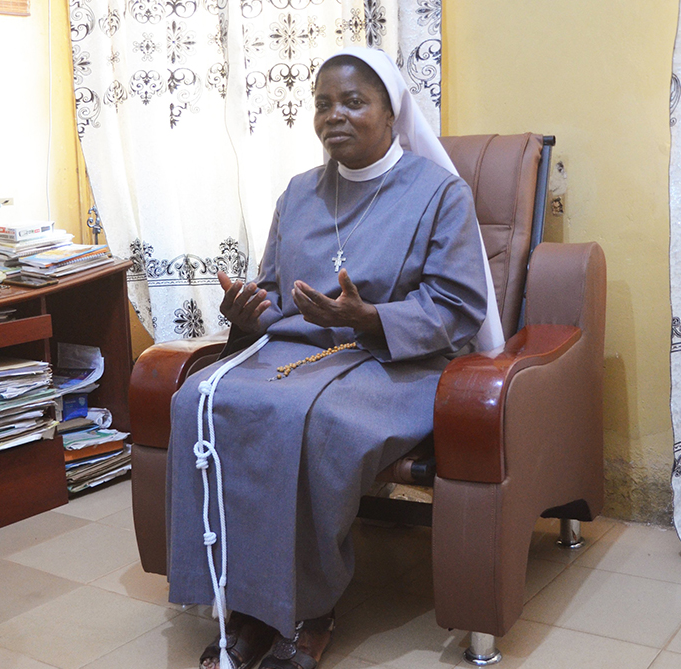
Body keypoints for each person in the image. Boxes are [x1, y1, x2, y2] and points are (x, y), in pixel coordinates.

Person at [167, 46, 500, 669]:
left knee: (317, 424)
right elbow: (270, 289)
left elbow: (456, 307)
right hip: (296, 352)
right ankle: (238, 602)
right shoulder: (297, 194)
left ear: (390, 113)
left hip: (397, 364)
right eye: (323, 104)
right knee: (198, 400)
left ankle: (306, 608)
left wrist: (368, 318)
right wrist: (248, 310)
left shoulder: (438, 193)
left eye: (353, 102)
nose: (334, 116)